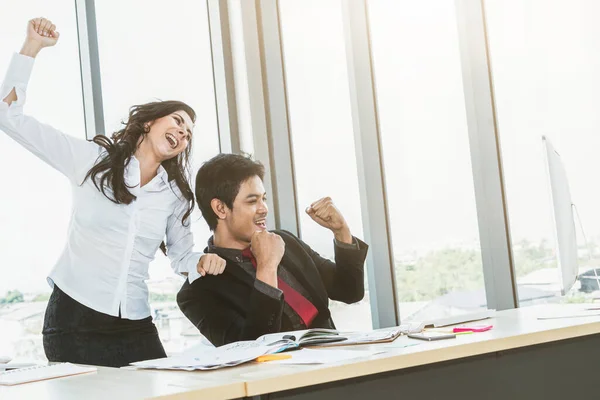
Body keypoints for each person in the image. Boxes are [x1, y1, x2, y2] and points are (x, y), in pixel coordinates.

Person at [0, 18, 226, 367]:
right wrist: (32, 47)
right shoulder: (92, 162)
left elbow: (181, 257)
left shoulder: (174, 195)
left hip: (135, 323)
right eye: (178, 121)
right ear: (150, 122)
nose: (183, 134)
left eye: (188, 134)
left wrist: (200, 261)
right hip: (73, 320)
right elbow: (8, 116)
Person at [177, 154, 369, 346]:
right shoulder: (198, 290)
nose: (264, 209)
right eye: (252, 201)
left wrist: (341, 231)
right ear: (220, 208)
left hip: (336, 361)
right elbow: (250, 348)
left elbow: (349, 291)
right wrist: (267, 267)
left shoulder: (285, 241)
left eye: (264, 199)